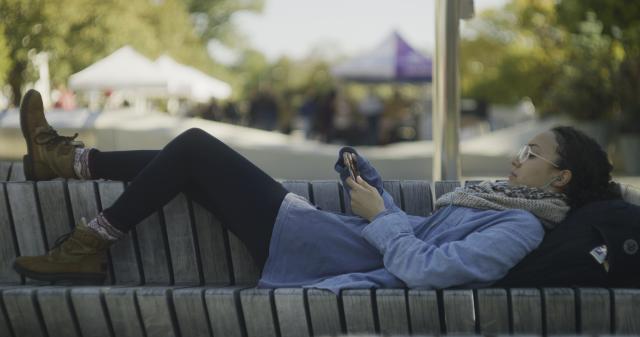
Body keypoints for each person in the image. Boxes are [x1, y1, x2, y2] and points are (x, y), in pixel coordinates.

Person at [13, 90, 619, 292]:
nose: (517, 157)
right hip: (331, 238)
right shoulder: (502, 202)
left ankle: (84, 231)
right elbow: (414, 233)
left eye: (532, 154)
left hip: (327, 253)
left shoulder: (519, 226)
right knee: (190, 157)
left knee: (196, 146)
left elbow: (430, 271)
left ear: (560, 179)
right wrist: (370, 185)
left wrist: (378, 215)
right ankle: (65, 162)